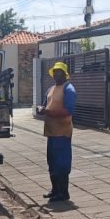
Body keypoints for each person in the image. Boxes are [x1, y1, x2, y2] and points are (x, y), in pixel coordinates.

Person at [37, 62, 77, 202]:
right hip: (51, 132)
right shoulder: (51, 89)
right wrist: (40, 109)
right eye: (54, 72)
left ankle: (63, 192)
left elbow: (68, 110)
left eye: (59, 72)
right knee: (52, 163)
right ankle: (55, 190)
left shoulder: (69, 89)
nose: (56, 74)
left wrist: (48, 111)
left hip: (62, 132)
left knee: (62, 164)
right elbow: (44, 105)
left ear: (65, 74)